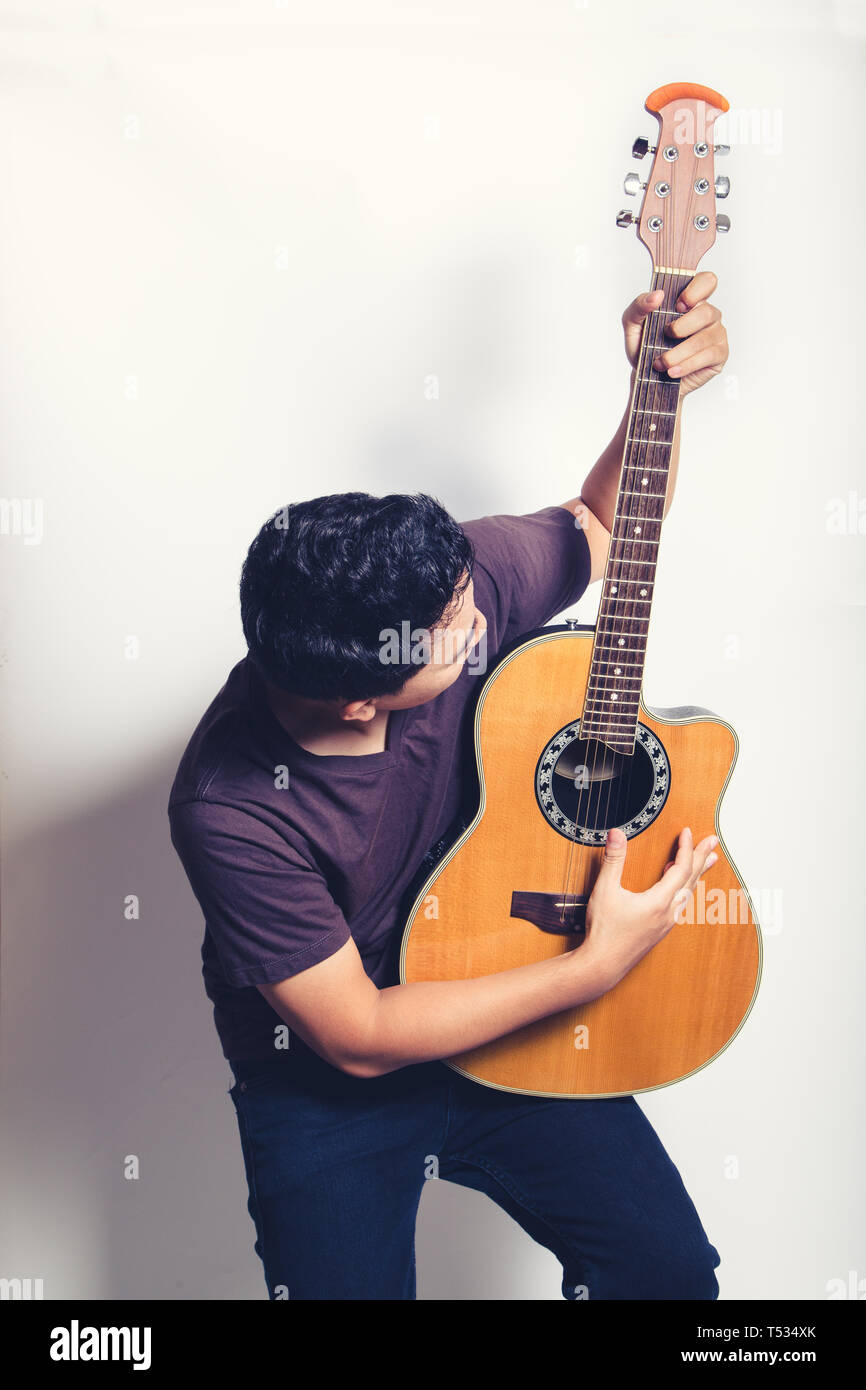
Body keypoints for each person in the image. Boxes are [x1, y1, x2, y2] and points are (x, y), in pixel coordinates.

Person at [168, 273, 729, 1301]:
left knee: (666, 1277)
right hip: (332, 1079)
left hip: (504, 995)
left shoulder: (438, 581)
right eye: (452, 639)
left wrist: (658, 383)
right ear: (357, 704)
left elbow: (603, 524)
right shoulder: (230, 803)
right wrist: (595, 963)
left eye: (468, 603)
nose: (480, 625)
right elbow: (362, 1036)